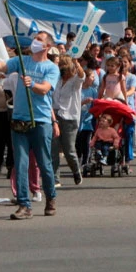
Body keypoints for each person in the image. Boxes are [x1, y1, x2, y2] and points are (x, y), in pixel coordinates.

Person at [0, 31, 61, 220]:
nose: (34, 42)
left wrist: (33, 85)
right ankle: (24, 204)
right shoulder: (22, 61)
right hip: (19, 119)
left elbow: (45, 88)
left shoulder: (51, 68)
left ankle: (51, 198)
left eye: (39, 39)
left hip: (40, 121)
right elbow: (0, 67)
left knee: (44, 163)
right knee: (20, 164)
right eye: (34, 38)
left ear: (47, 46)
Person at [51, 55, 85, 185]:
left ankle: (76, 170)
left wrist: (77, 64)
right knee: (53, 149)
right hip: (55, 115)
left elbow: (82, 76)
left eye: (65, 68)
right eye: (61, 68)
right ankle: (55, 178)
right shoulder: (56, 80)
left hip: (70, 117)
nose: (63, 71)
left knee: (68, 149)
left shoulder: (75, 81)